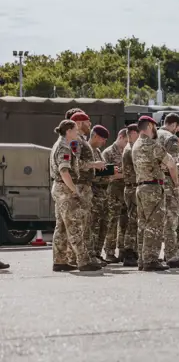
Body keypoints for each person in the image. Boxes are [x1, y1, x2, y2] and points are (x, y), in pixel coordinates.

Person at [50, 119, 101, 272]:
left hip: (59, 188)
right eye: (75, 130)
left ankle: (59, 261)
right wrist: (74, 189)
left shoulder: (61, 145)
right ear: (68, 131)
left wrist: (93, 165)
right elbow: (64, 171)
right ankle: (83, 261)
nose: (77, 132)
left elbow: (76, 165)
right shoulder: (64, 147)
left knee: (62, 227)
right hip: (64, 189)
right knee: (74, 225)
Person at [133, 115, 179, 271]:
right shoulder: (152, 145)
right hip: (153, 188)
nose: (155, 130)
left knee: (142, 225)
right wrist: (175, 184)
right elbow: (172, 164)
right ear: (149, 126)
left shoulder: (136, 145)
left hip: (140, 187)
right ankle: (151, 259)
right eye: (153, 127)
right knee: (154, 224)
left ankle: (142, 258)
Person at [70, 112, 106, 266]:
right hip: (80, 185)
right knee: (81, 224)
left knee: (87, 224)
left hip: (86, 186)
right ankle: (81, 259)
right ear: (78, 123)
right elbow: (75, 164)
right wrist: (94, 165)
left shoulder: (80, 140)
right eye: (87, 122)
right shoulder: (75, 141)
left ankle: (87, 256)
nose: (89, 125)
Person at [155, 113, 179, 267]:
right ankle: (172, 256)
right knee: (171, 220)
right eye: (177, 128)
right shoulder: (171, 138)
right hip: (168, 181)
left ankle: (153, 255)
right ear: (174, 125)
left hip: (153, 181)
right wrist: (176, 182)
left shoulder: (152, 134)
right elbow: (173, 163)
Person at [101, 128, 129, 263]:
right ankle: (110, 251)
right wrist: (123, 175)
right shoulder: (108, 153)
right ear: (120, 137)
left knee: (125, 222)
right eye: (126, 140)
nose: (127, 143)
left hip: (126, 191)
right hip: (113, 192)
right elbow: (104, 174)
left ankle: (123, 249)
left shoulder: (128, 152)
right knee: (112, 222)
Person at [88, 125, 112, 262]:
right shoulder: (87, 150)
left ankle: (97, 253)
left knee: (103, 226)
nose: (104, 143)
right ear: (95, 136)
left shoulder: (97, 151)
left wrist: (109, 170)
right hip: (93, 193)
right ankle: (91, 255)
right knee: (93, 226)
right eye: (103, 139)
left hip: (103, 194)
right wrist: (106, 173)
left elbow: (101, 168)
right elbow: (89, 173)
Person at [121, 124, 140, 267]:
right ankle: (128, 252)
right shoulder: (131, 149)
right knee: (132, 223)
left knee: (134, 221)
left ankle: (132, 250)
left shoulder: (131, 147)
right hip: (132, 188)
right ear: (133, 133)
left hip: (132, 188)